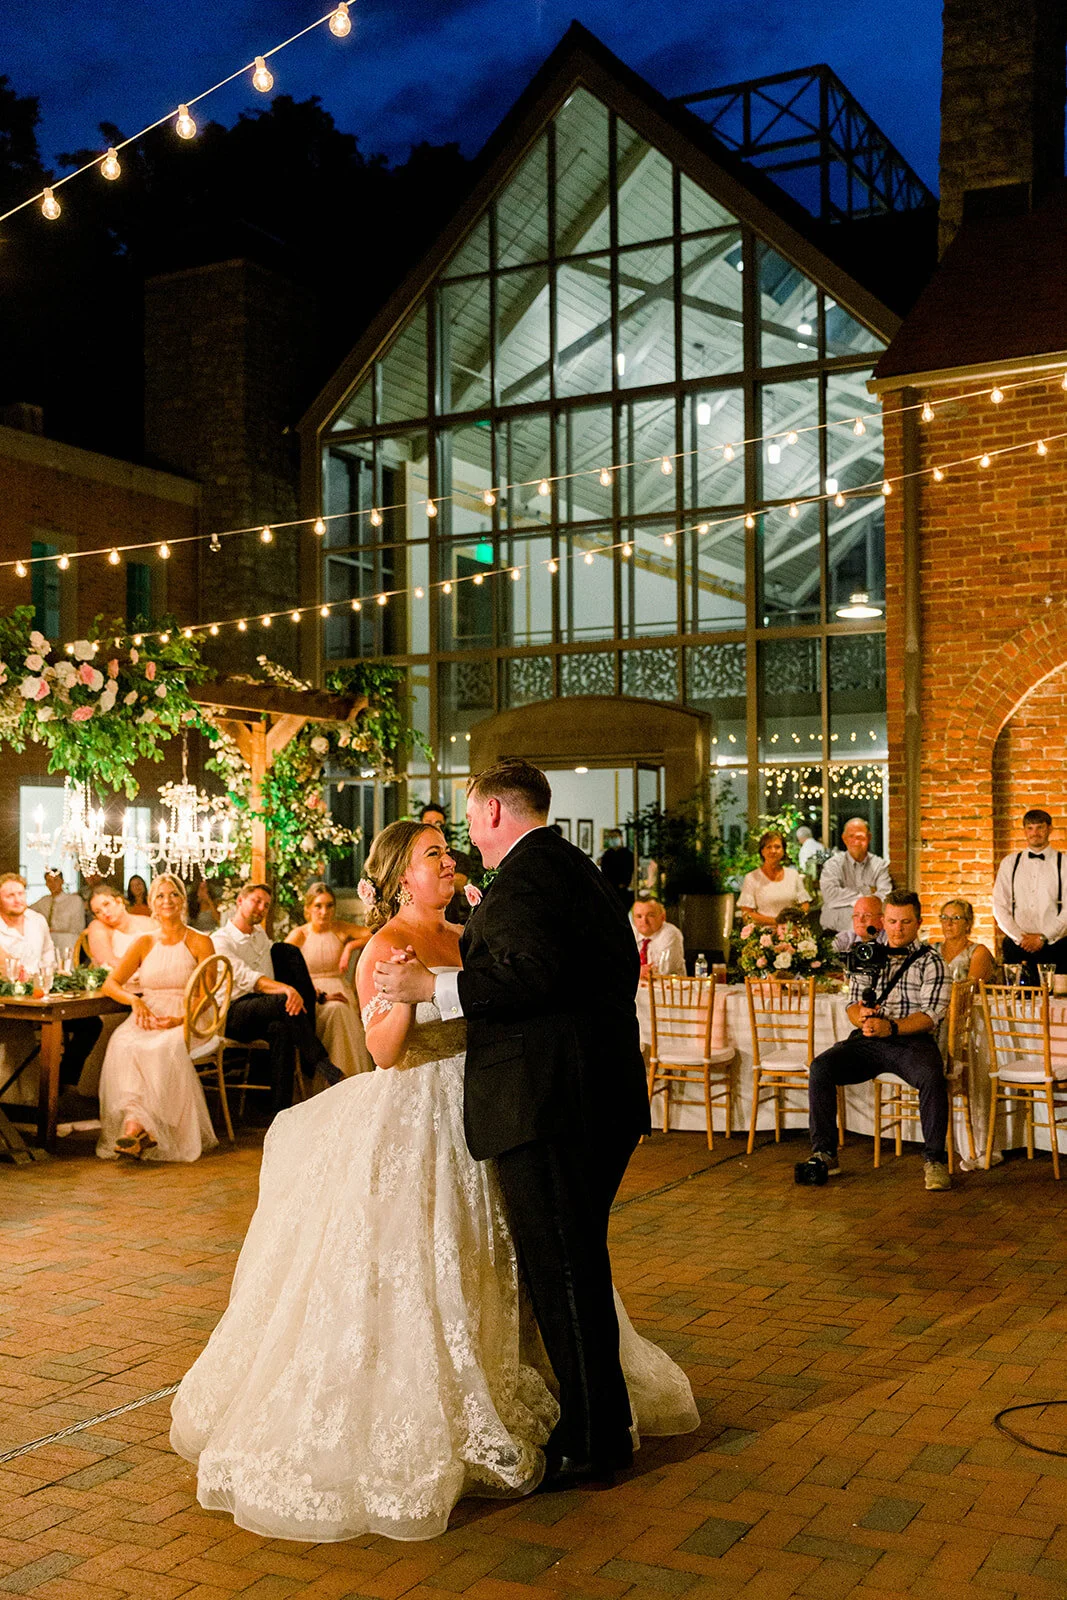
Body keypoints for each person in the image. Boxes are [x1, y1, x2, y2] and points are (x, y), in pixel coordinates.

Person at [170, 818, 697, 1541]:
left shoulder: (468, 930)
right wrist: (410, 994)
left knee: (498, 1260)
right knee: (422, 1264)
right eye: (431, 856)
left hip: (487, 1107)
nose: (447, 862)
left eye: (448, 851)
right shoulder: (385, 945)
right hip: (419, 1113)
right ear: (397, 880)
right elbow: (384, 1052)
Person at [378, 761, 656, 1491]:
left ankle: (594, 1438)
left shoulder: (531, 877)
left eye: (470, 820)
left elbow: (530, 974)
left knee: (561, 1270)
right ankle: (594, 1420)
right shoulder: (570, 867)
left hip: (550, 1103)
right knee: (574, 1265)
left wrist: (428, 986)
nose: (466, 836)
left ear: (496, 811)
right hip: (591, 1095)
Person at [797, 890, 951, 1192]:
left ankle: (935, 1160)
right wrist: (862, 1017)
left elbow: (931, 1016)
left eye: (905, 922)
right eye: (892, 921)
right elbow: (852, 1005)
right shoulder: (868, 954)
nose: (898, 928)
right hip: (869, 1038)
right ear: (883, 921)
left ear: (918, 922)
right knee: (821, 1068)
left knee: (933, 1076)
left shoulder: (932, 961)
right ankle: (825, 1153)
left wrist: (890, 1028)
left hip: (911, 1040)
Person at [97, 875, 218, 1162]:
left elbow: (206, 995)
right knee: (124, 1043)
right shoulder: (143, 943)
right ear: (152, 903)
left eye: (173, 894)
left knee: (161, 1047)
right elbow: (110, 984)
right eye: (160, 896)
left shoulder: (200, 941)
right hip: (150, 1011)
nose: (167, 901)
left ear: (183, 900)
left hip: (191, 1016)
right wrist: (134, 1000)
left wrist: (180, 1019)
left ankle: (142, 1129)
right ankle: (136, 1128)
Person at [213, 882, 341, 1116]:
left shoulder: (260, 936)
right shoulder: (221, 940)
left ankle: (280, 1114)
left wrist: (315, 994)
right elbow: (247, 978)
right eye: (256, 901)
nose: (261, 908)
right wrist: (286, 990)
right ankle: (319, 1062)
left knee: (281, 1028)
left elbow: (280, 971)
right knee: (283, 1001)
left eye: (266, 905)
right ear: (240, 901)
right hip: (232, 1013)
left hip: (264, 1010)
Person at [0, 872, 100, 1091]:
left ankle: (61, 1082)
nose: (18, 899)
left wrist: (53, 978)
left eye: (20, 893)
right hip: (9, 1002)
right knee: (22, 1036)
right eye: (10, 895)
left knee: (91, 1024)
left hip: (42, 995)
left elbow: (48, 956)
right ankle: (26, 1097)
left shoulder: (37, 920)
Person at [285, 881, 373, 1076]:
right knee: (336, 1010)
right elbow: (282, 969)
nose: (324, 911)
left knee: (341, 1009)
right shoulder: (299, 935)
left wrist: (350, 947)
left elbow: (376, 933)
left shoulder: (340, 929)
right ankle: (331, 1076)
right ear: (308, 908)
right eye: (318, 906)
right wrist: (318, 995)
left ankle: (349, 1078)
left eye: (329, 905)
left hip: (340, 989)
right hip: (313, 996)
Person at [992, 808, 1067, 982]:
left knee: (1059, 1000)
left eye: (1040, 827)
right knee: (1016, 1001)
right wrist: (1020, 937)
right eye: (1030, 828)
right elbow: (999, 905)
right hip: (1017, 946)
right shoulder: (1010, 863)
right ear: (1024, 830)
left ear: (1049, 829)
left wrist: (1043, 937)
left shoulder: (1064, 863)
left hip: (1056, 946)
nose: (1035, 833)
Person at [818, 817, 893, 933]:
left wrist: (845, 897)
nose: (856, 841)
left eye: (860, 837)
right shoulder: (832, 865)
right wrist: (867, 893)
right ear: (844, 839)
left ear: (869, 838)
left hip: (870, 933)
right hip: (834, 932)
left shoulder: (880, 866)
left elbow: (885, 897)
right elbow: (830, 895)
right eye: (851, 836)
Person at [737, 831, 811, 927]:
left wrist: (795, 919)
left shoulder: (793, 875)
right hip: (764, 936)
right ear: (762, 851)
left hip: (792, 932)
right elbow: (747, 914)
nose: (773, 851)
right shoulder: (751, 878)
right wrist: (777, 922)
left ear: (783, 850)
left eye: (777, 847)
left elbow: (805, 904)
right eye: (768, 847)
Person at [87, 883, 158, 967]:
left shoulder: (149, 923)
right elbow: (107, 962)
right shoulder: (97, 926)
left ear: (119, 901)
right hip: (120, 976)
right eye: (98, 912)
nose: (104, 912)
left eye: (106, 904)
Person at [30, 868, 86, 961]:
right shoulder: (44, 901)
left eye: (56, 880)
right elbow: (27, 911)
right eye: (49, 881)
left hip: (68, 941)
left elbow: (78, 928)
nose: (52, 884)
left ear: (62, 881)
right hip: (48, 940)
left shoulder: (74, 900)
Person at [937, 898, 995, 982]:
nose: (948, 923)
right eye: (944, 917)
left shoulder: (978, 952)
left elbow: (969, 989)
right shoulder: (932, 951)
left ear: (967, 924)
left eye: (956, 918)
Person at [632, 895, 685, 979]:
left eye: (650, 915)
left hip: (668, 988)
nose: (644, 921)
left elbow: (663, 970)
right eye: (639, 916)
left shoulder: (671, 934)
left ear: (663, 917)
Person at [598, 828, 636, 905]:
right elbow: (604, 871)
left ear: (621, 838)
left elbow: (630, 871)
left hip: (623, 891)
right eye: (611, 837)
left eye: (615, 837)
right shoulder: (607, 854)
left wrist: (624, 884)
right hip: (609, 889)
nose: (613, 839)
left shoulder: (628, 854)